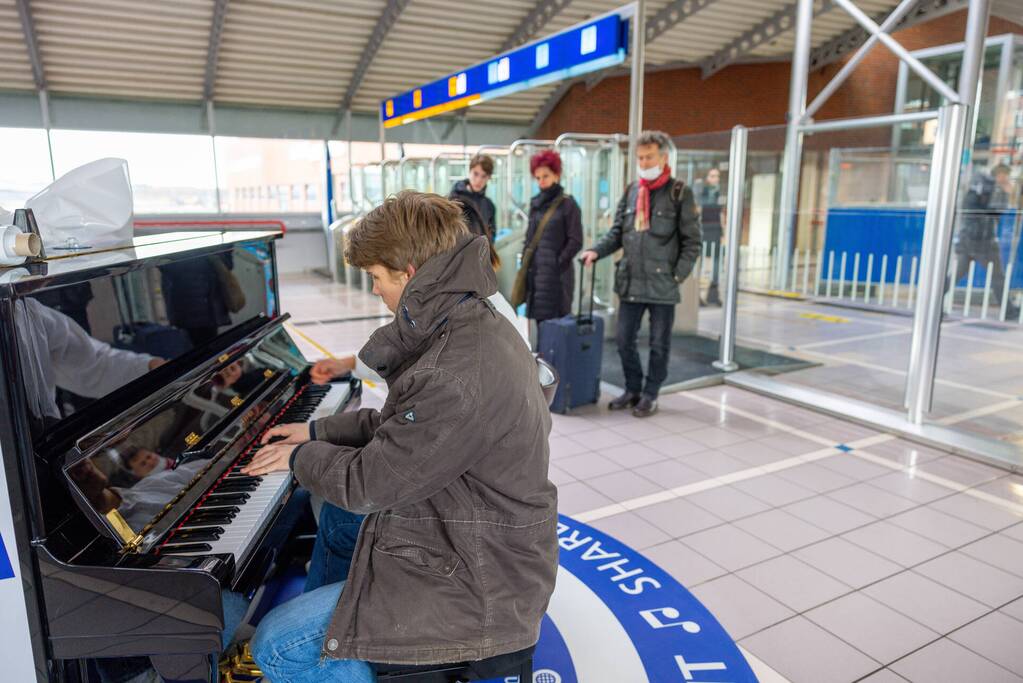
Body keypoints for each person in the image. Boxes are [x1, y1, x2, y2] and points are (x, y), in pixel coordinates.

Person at [242, 191, 558, 682]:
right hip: (466, 522)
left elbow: (371, 484)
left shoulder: (455, 369)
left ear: (409, 272)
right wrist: (314, 429)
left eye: (376, 278)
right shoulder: (467, 318)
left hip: (478, 574)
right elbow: (407, 431)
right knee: (341, 521)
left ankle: (317, 657)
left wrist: (300, 458)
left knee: (277, 647)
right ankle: (333, 646)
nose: (374, 292)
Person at [580, 130, 702, 418]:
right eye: (640, 158)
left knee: (659, 345)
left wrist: (676, 276)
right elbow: (617, 233)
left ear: (663, 157)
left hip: (663, 284)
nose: (644, 162)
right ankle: (633, 388)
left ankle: (651, 394)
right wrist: (596, 250)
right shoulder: (632, 191)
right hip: (631, 280)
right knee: (623, 340)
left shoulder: (679, 192)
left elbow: (692, 242)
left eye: (649, 157)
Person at [519, 150, 583, 326]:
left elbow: (576, 240)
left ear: (557, 174)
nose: (541, 182)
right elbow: (529, 238)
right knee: (539, 328)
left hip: (557, 278)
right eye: (537, 177)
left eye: (545, 176)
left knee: (557, 329)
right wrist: (525, 264)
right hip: (536, 276)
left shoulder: (568, 204)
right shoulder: (535, 203)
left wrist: (556, 263)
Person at [953, 163, 1019, 319]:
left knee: (958, 273)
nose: (1006, 179)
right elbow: (996, 211)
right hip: (983, 241)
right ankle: (1008, 311)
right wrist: (1006, 192)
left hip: (969, 238)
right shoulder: (993, 188)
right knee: (997, 276)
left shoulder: (979, 185)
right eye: (1005, 176)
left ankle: (935, 298)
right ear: (1000, 174)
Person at [449, 153, 497, 243]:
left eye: (484, 176)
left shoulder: (489, 205)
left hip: (481, 254)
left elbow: (492, 235)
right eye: (476, 174)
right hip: (458, 254)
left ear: (489, 178)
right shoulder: (453, 200)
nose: (479, 180)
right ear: (469, 171)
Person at [697, 167, 724, 306]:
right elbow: (698, 211)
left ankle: (713, 295)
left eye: (717, 176)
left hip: (715, 231)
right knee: (700, 264)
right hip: (704, 230)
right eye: (713, 176)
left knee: (716, 264)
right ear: (708, 178)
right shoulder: (703, 193)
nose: (715, 179)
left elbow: (721, 214)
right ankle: (698, 296)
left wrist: (723, 233)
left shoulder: (720, 194)